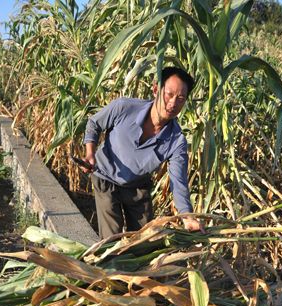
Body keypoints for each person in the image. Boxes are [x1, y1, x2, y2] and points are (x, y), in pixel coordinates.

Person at [82, 66, 202, 239]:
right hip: (105, 176)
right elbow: (94, 124)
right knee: (112, 239)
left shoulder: (176, 141)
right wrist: (90, 153)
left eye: (181, 98)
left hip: (137, 187)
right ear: (155, 89)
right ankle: (108, 263)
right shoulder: (124, 108)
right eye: (169, 94)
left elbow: (179, 181)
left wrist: (187, 217)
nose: (173, 103)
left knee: (143, 240)